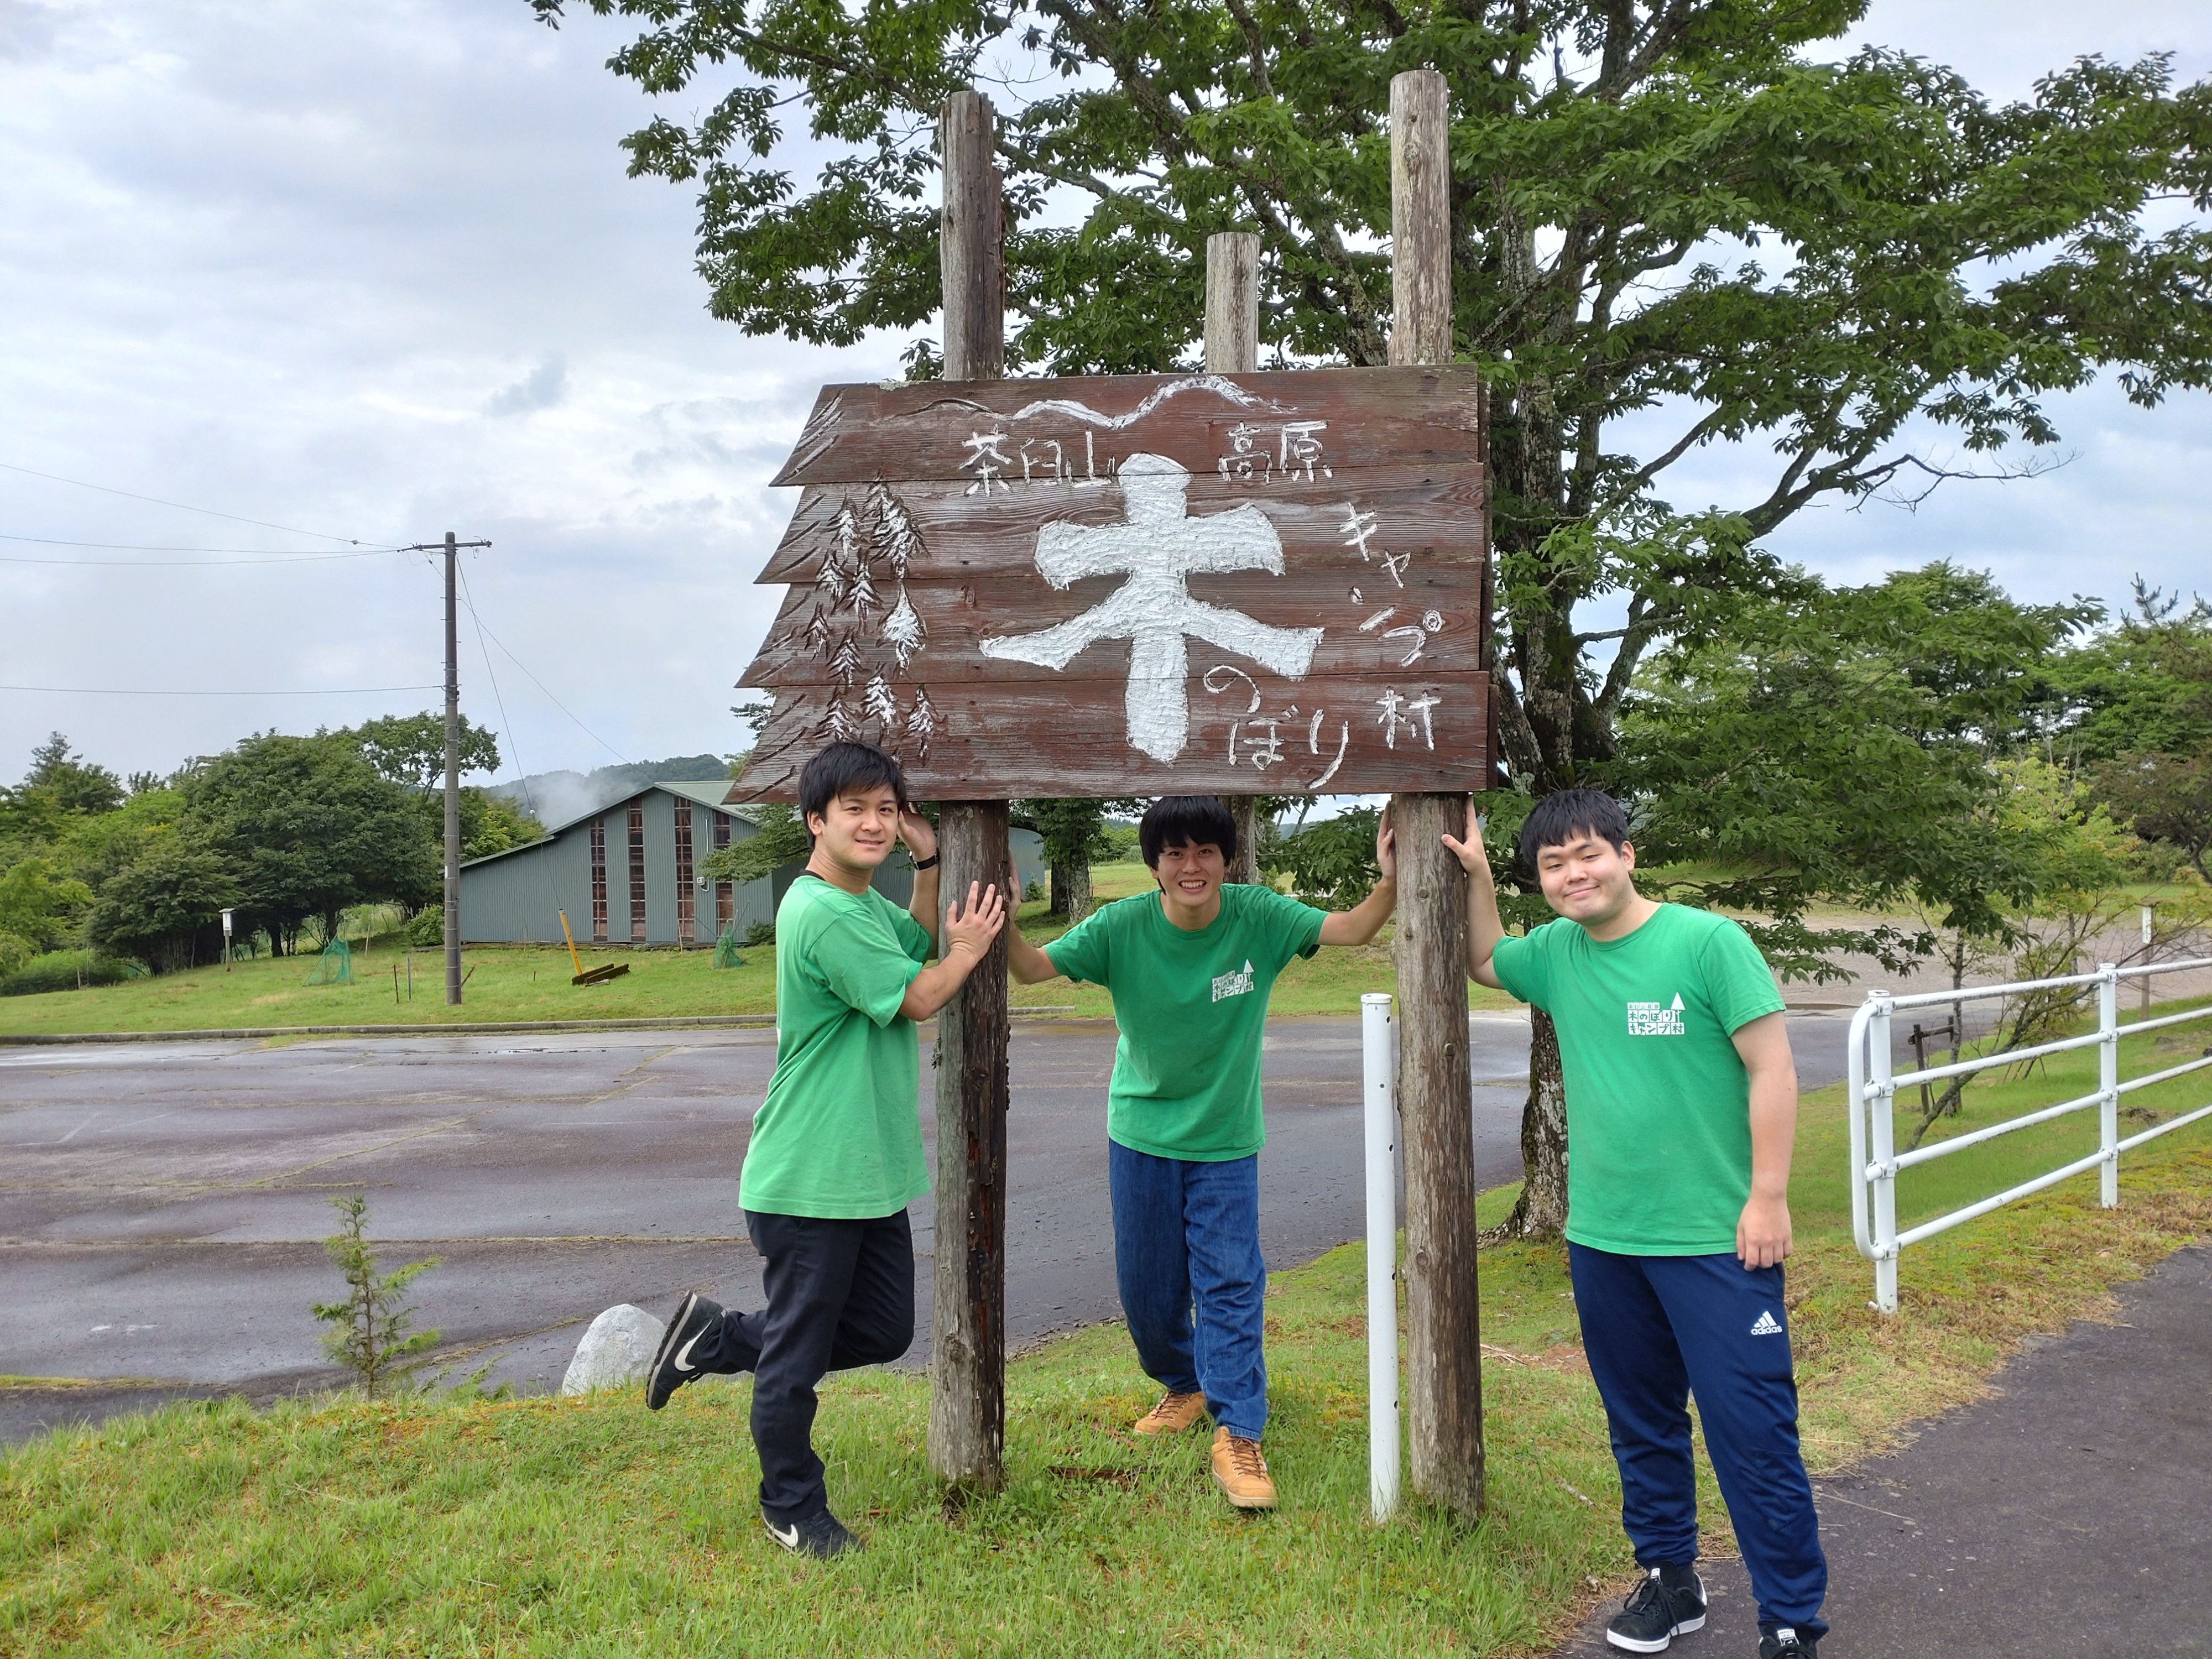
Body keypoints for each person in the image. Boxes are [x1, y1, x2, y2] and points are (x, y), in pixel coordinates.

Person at [1444, 789, 1827, 1658]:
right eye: (1553, 864)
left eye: (1588, 854)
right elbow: (1486, 960)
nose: (1575, 873)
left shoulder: (1707, 944)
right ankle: (1670, 1581)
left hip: (1717, 1238)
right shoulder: (1557, 955)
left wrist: (1767, 1196)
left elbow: (1773, 1067)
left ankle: (1792, 1617)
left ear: (1626, 854)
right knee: (1641, 1419)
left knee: (1751, 1428)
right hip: (1606, 1238)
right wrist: (1475, 876)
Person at [641, 740, 1004, 1560]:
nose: (875, 824)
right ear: (816, 820)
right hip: (810, 1176)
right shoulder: (822, 911)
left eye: (887, 809)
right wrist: (972, 951)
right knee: (797, 1363)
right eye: (856, 810)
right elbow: (918, 995)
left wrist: (931, 862)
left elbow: (909, 949)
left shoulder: (855, 901)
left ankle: (722, 1339)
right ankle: (793, 1509)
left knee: (881, 1329)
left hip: (861, 1173)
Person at [1005, 794, 1397, 1511]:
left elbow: (1354, 927)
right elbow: (1031, 969)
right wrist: (998, 916)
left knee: (1229, 1283)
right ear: (1154, 864)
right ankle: (1183, 1383)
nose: (1192, 866)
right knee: (1148, 1296)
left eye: (1206, 852)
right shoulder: (1121, 927)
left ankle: (1240, 1431)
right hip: (1142, 1134)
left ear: (1227, 859)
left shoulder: (1259, 917)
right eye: (1175, 853)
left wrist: (1390, 878)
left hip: (1224, 1141)